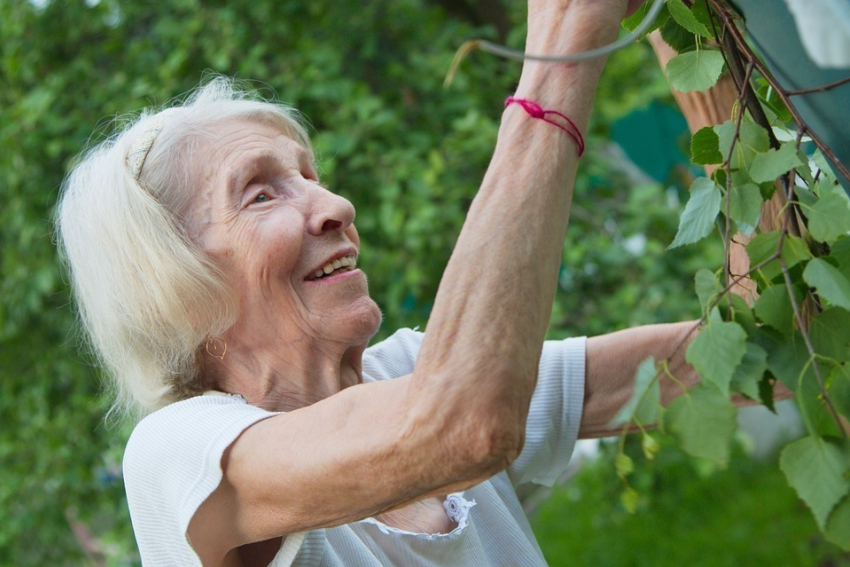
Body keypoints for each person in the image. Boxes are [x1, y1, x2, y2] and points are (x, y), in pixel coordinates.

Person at [58, 0, 699, 565]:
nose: (336, 205)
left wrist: (688, 33)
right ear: (172, 286)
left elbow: (735, 348)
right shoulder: (178, 456)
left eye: (310, 176)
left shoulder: (412, 372)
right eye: (260, 194)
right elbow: (463, 424)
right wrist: (564, 39)